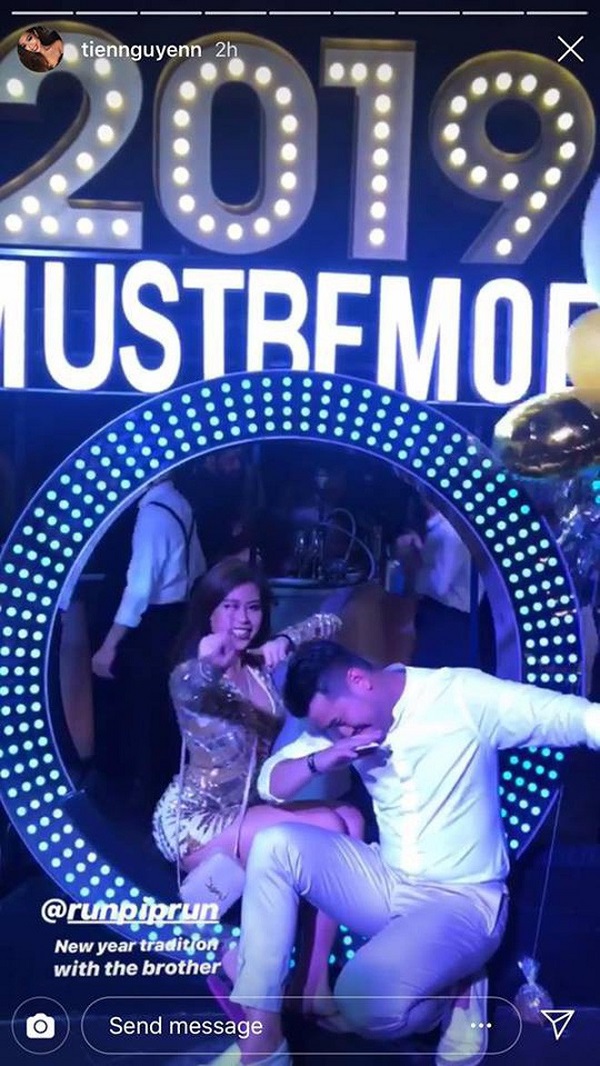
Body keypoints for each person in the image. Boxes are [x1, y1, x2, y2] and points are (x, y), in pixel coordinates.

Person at [223, 639, 600, 1066]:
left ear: (358, 680)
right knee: (274, 844)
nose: (340, 733)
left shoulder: (459, 694)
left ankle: (455, 984)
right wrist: (323, 759)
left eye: (340, 722)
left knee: (361, 1004)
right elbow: (271, 782)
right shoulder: (338, 731)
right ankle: (263, 1039)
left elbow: (572, 717)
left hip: (464, 902)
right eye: (330, 729)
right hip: (390, 883)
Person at [152, 560, 364, 1025]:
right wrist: (208, 662)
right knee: (329, 827)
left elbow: (329, 621)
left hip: (247, 809)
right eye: (229, 607)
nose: (242, 619)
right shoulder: (192, 673)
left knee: (351, 819)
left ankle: (313, 984)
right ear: (209, 613)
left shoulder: (261, 668)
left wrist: (285, 640)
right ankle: (285, 986)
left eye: (252, 607)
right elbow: (188, 687)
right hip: (195, 820)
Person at [92, 475, 206, 807]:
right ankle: (166, 796)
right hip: (178, 619)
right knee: (165, 715)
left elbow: (140, 588)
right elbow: (198, 566)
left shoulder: (153, 512)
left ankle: (147, 802)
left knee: (146, 717)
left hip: (153, 625)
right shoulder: (179, 502)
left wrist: (109, 644)